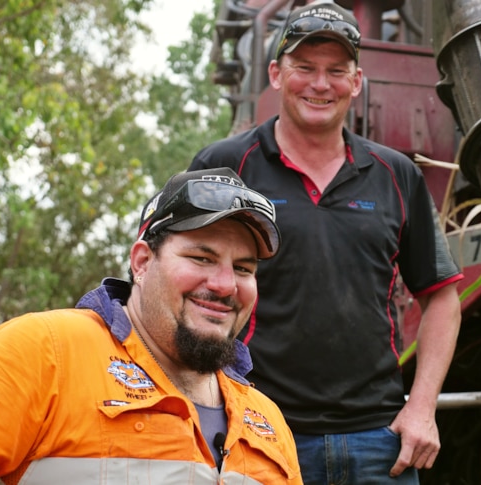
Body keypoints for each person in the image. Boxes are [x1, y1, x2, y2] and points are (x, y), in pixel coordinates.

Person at [0, 167, 303, 485]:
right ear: (143, 263)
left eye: (244, 268)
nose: (225, 284)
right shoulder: (48, 350)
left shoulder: (267, 421)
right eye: (201, 258)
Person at [188, 2, 464, 484]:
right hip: (258, 431)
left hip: (379, 441)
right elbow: (171, 279)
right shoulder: (228, 164)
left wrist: (421, 410)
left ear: (356, 82)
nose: (320, 84)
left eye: (336, 71)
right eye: (304, 68)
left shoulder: (395, 173)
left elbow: (441, 296)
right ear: (276, 74)